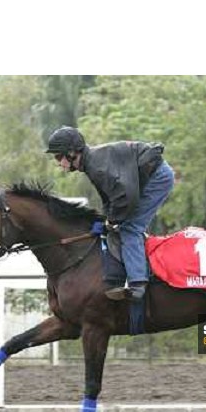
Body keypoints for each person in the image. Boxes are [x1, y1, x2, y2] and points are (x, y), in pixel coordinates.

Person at [46, 126, 174, 301]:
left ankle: (138, 284)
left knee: (130, 228)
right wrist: (106, 220)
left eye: (58, 156)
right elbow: (109, 197)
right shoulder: (91, 164)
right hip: (146, 177)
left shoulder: (96, 167)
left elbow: (126, 197)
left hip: (158, 177)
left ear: (71, 152)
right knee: (121, 225)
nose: (58, 162)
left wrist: (112, 220)